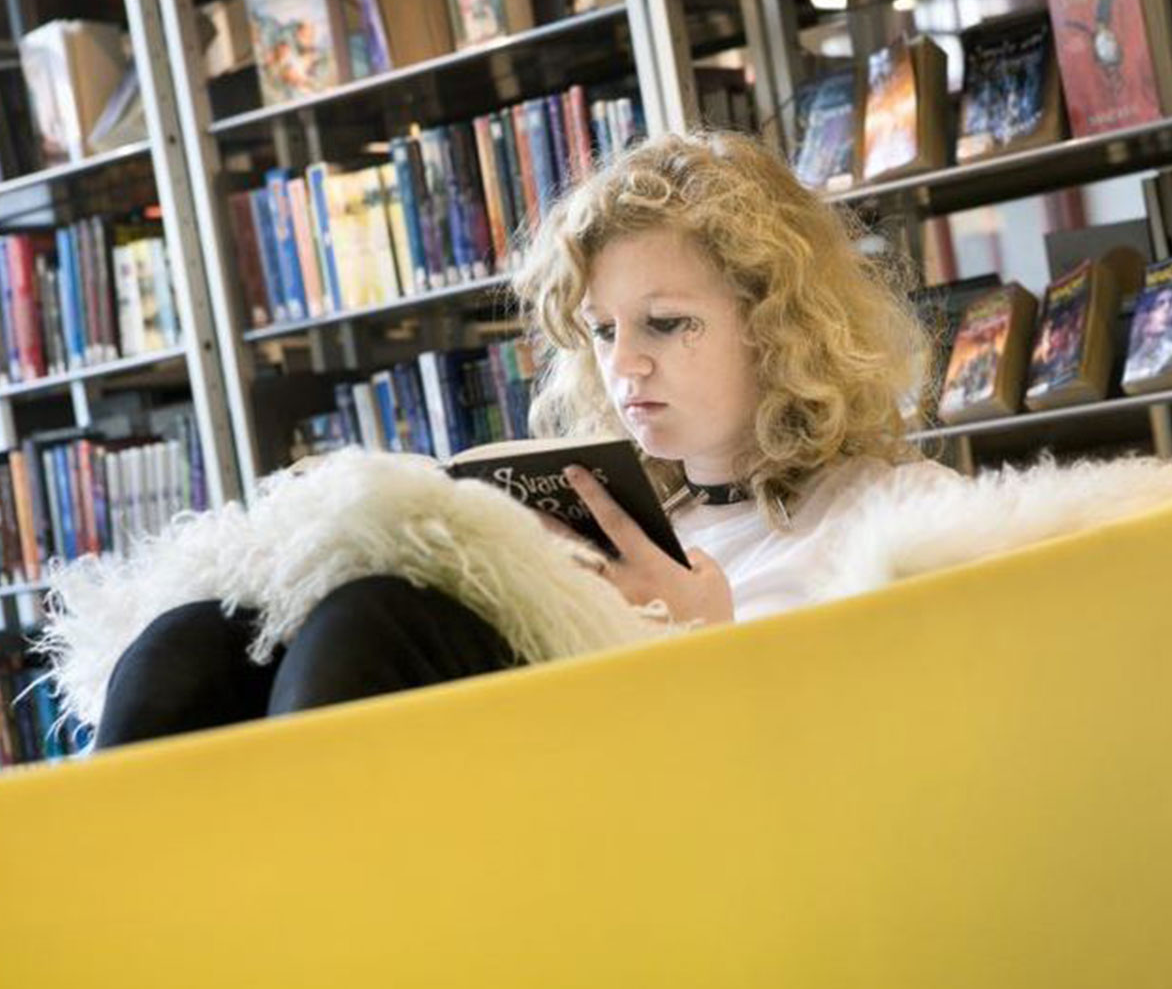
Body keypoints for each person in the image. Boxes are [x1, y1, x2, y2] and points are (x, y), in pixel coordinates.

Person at [92, 131, 959, 750]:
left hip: (659, 809)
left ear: (778, 326)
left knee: (374, 621)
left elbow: (883, 756)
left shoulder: (900, 515)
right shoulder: (623, 510)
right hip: (540, 768)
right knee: (196, 639)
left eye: (665, 323)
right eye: (603, 331)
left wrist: (703, 640)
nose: (625, 365)